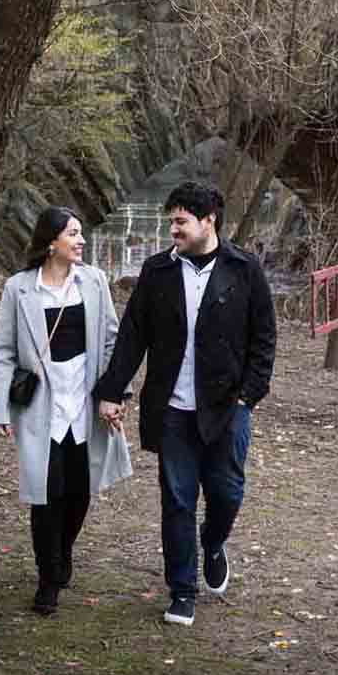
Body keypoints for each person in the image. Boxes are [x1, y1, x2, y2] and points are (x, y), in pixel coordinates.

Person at [94, 181, 277, 629]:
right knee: (177, 500)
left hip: (227, 409)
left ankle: (213, 545)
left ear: (208, 220)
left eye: (180, 221)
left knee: (227, 493)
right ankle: (182, 590)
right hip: (173, 410)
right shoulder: (158, 272)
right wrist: (111, 389)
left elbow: (264, 338)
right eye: (170, 220)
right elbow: (134, 335)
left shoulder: (244, 269)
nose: (172, 228)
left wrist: (247, 396)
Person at [0, 206, 132, 616]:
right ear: (52, 241)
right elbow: (2, 351)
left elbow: (111, 342)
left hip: (85, 403)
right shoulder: (19, 289)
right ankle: (48, 577)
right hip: (41, 407)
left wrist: (115, 392)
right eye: (73, 233)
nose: (81, 240)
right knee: (45, 494)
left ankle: (63, 551)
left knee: (79, 491)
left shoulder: (94, 281)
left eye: (80, 233)